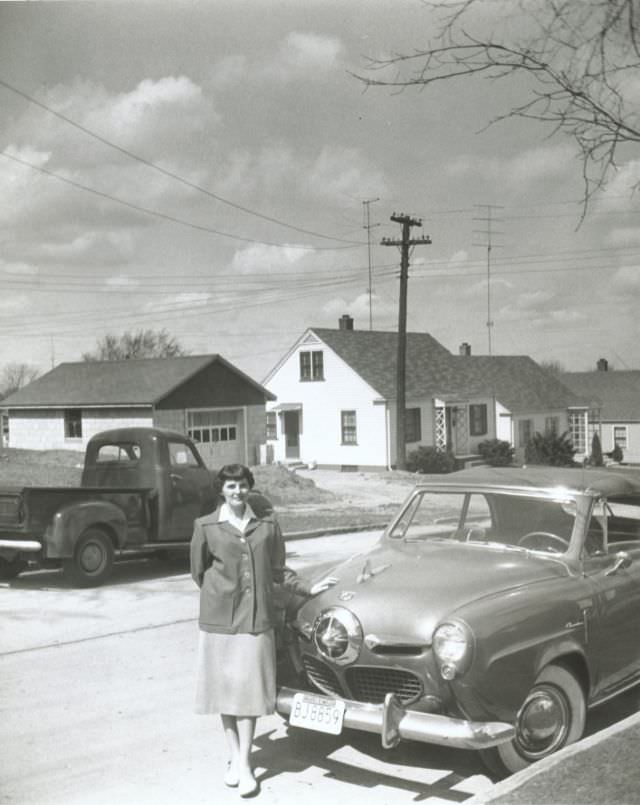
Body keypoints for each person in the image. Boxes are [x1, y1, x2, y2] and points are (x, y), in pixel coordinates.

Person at [190, 463, 337, 797]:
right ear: (221, 490)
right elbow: (199, 572)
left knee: (251, 694)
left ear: (250, 488)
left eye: (242, 486)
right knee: (225, 693)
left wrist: (308, 589)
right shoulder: (206, 526)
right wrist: (223, 597)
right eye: (230, 487)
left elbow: (278, 571)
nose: (237, 492)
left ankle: (243, 763)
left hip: (257, 620)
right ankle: (236, 757)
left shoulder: (268, 526)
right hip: (220, 622)